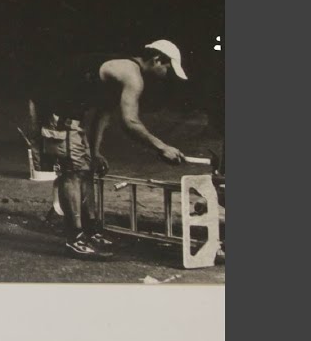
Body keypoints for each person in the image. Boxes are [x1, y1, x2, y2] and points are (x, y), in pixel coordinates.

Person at [28, 40, 190, 258]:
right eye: (168, 68)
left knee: (86, 170)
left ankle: (90, 232)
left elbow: (102, 115)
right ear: (157, 59)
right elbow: (130, 122)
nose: (167, 74)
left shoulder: (121, 71)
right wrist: (161, 147)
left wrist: (94, 153)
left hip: (70, 114)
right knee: (73, 173)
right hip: (55, 111)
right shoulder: (132, 75)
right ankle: (75, 239)